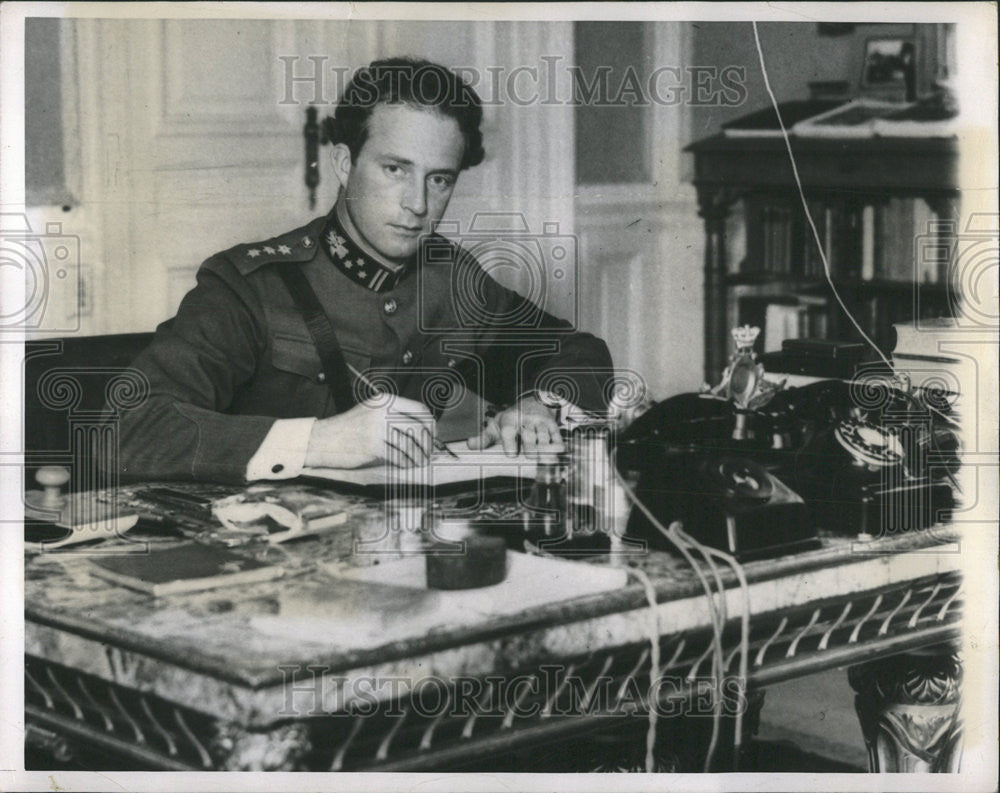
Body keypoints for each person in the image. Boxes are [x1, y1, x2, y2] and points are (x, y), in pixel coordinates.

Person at [114, 57, 613, 484]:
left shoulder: (452, 280)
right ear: (343, 164)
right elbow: (126, 429)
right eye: (394, 169)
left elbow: (577, 351)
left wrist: (537, 403)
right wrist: (321, 439)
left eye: (438, 179)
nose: (417, 204)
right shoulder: (250, 286)